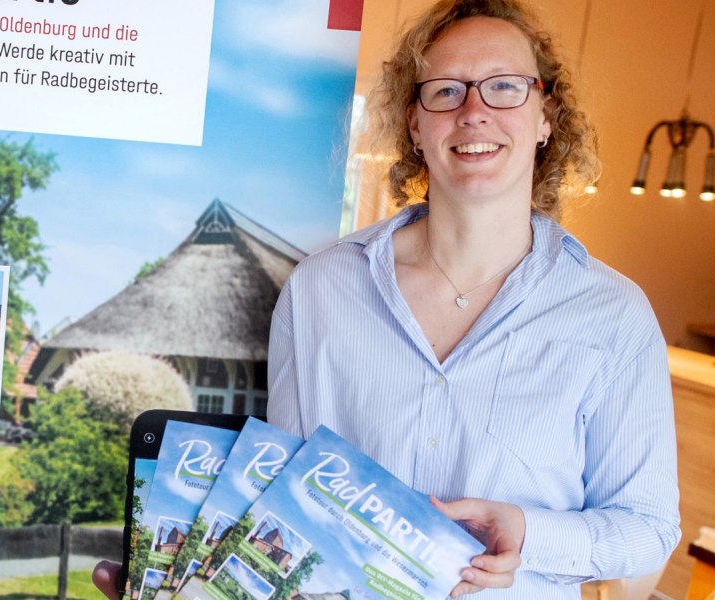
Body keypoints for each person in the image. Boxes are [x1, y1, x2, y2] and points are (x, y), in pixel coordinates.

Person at [268, 0, 679, 598]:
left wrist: (527, 532)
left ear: (546, 117)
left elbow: (649, 530)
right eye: (446, 91)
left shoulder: (613, 315)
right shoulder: (320, 288)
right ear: (414, 123)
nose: (474, 112)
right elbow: (280, 489)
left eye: (505, 88)